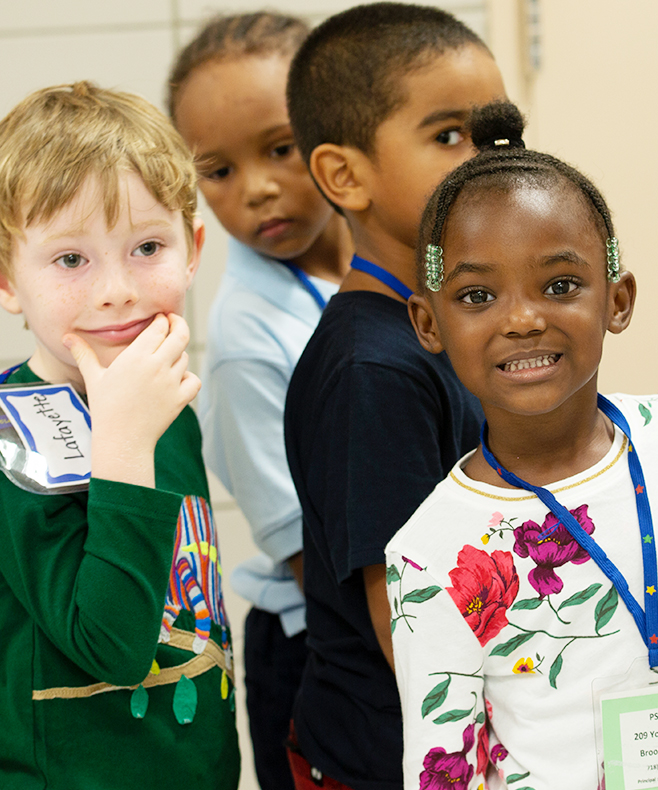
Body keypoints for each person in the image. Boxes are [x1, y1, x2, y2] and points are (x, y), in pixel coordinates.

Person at [385, 101, 658, 790]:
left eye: (560, 285)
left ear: (617, 300)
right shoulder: (428, 551)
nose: (523, 318)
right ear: (428, 322)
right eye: (477, 296)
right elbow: (440, 770)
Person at [282, 4, 505, 789]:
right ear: (345, 176)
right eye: (448, 136)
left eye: (497, 135)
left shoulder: (443, 328)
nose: (486, 162)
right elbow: (408, 628)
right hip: (395, 760)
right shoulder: (370, 371)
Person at [0, 82, 239, 789]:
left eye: (146, 247)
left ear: (192, 250)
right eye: (70, 260)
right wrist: (123, 447)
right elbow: (108, 647)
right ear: (8, 278)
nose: (117, 290)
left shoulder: (167, 407)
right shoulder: (10, 436)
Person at [168, 13, 351, 790]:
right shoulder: (247, 339)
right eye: (218, 171)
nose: (257, 189)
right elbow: (306, 552)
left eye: (279, 149)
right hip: (324, 645)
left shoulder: (393, 264)